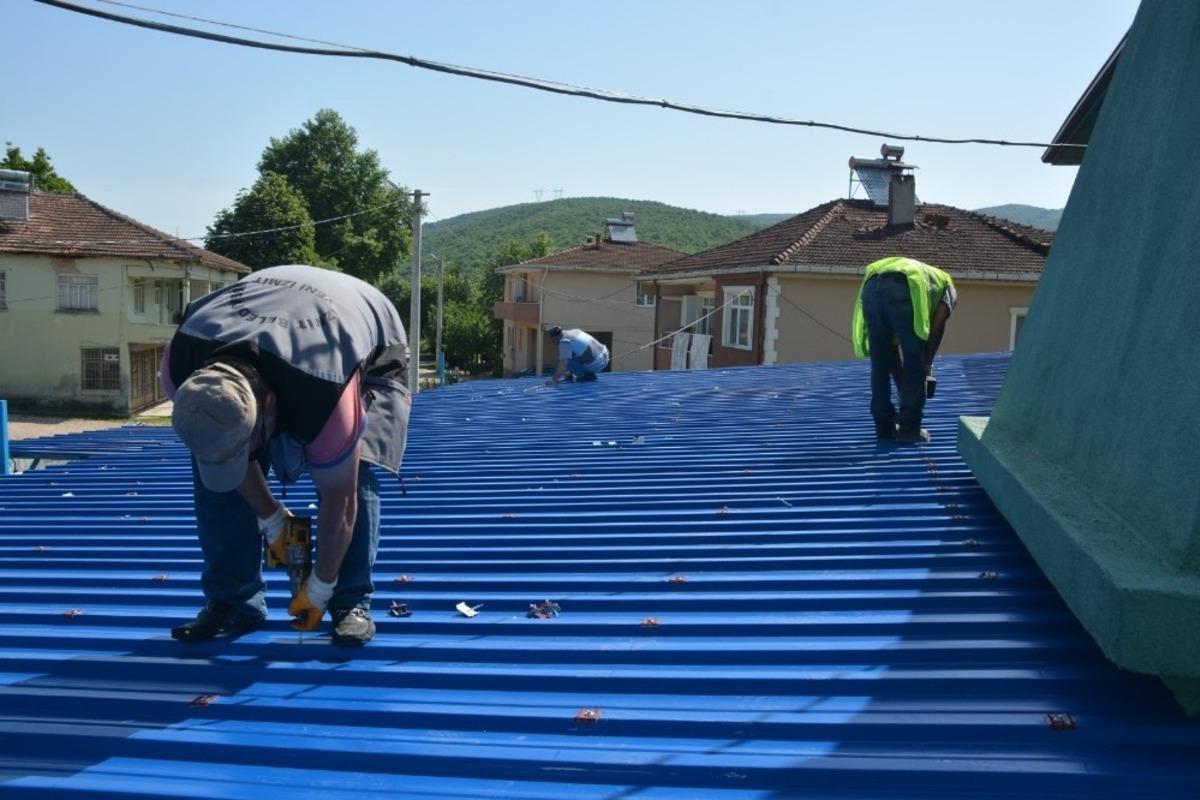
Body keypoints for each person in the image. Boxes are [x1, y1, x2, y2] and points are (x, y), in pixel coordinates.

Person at [162, 264, 410, 645]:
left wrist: (320, 587)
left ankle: (349, 601)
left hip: (361, 327)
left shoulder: (327, 394)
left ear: (270, 405)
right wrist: (273, 517)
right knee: (214, 458)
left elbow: (339, 501)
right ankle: (232, 601)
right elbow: (222, 448)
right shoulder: (182, 370)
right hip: (272, 316)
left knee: (357, 471)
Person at [851, 256, 956, 444]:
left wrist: (903, 386)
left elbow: (891, 353)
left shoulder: (928, 281)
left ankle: (884, 427)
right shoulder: (948, 287)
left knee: (879, 363)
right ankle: (909, 430)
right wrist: (926, 366)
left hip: (870, 288)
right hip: (902, 285)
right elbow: (937, 328)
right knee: (914, 359)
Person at [545, 325, 610, 385]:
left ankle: (586, 375)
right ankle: (573, 373)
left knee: (563, 358)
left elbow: (563, 366)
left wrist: (554, 380)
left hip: (596, 364)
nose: (555, 343)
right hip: (605, 354)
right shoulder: (575, 331)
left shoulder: (564, 341)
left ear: (555, 337)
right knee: (572, 353)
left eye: (553, 341)